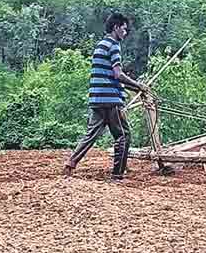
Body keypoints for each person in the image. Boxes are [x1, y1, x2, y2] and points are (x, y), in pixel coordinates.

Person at [63, 13, 149, 179]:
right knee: (123, 135)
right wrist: (139, 86)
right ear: (116, 27)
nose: (126, 32)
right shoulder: (114, 45)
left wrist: (133, 87)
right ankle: (118, 174)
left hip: (96, 98)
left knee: (91, 134)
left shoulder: (100, 45)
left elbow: (107, 75)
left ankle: (70, 163)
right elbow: (118, 74)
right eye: (124, 29)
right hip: (111, 100)